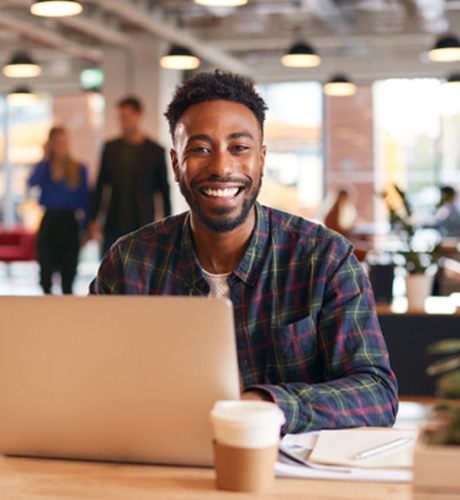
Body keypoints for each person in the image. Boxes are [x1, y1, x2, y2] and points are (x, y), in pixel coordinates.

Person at [90, 71, 398, 434]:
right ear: (176, 164)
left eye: (239, 148)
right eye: (200, 149)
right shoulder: (129, 263)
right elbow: (89, 380)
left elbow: (376, 393)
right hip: (160, 469)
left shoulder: (325, 259)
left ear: (261, 159)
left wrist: (265, 405)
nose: (221, 167)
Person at [89, 96, 171, 254]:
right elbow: (100, 185)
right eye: (120, 118)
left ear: (138, 115)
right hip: (114, 222)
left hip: (143, 223)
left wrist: (168, 225)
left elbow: (164, 191)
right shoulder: (110, 148)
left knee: (141, 270)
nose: (122, 122)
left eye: (125, 117)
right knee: (111, 268)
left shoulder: (155, 151)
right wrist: (93, 219)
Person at [28, 126, 89, 294]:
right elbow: (32, 182)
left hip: (69, 223)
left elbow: (85, 201)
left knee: (68, 275)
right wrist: (46, 157)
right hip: (49, 221)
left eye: (63, 142)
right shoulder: (45, 167)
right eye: (56, 143)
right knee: (45, 275)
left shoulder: (78, 169)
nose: (60, 146)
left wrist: (85, 229)